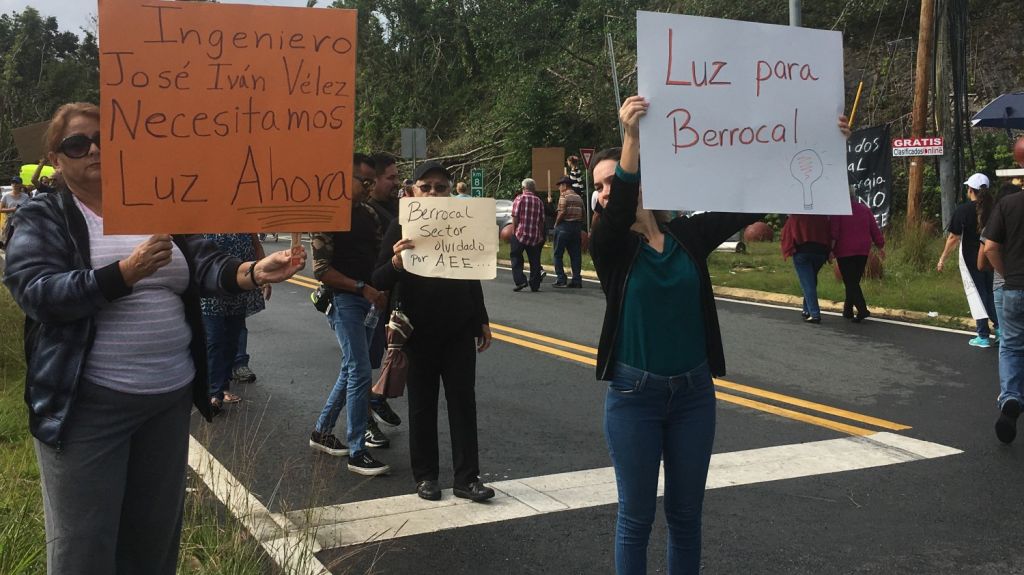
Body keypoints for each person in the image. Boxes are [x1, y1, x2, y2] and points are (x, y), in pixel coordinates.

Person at [2, 102, 306, 575]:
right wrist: (123, 273)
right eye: (77, 144)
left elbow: (203, 263)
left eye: (105, 139)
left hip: (167, 399)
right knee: (84, 547)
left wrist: (252, 271)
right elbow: (37, 293)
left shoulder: (154, 203)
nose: (95, 150)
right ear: (56, 158)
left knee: (153, 540)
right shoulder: (45, 215)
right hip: (87, 405)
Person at [591, 95, 851, 575]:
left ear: (652, 176)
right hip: (634, 398)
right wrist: (632, 137)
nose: (606, 192)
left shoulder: (687, 237)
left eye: (613, 181)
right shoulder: (610, 247)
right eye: (599, 187)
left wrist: (825, 146)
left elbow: (754, 198)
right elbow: (622, 204)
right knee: (636, 519)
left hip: (693, 396)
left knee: (686, 517)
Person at [373, 160, 495, 503]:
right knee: (422, 405)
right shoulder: (400, 224)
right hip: (416, 331)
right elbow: (378, 278)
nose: (433, 193)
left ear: (450, 192)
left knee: (463, 403)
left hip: (458, 330)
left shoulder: (464, 222)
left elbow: (473, 272)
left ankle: (467, 478)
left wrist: (481, 318)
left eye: (440, 187)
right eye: (425, 187)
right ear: (413, 191)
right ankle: (425, 477)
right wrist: (396, 262)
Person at [309, 155, 392, 475]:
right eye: (364, 181)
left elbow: (381, 253)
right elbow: (321, 270)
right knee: (359, 370)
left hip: (370, 301)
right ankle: (357, 451)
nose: (369, 187)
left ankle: (322, 431)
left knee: (351, 369)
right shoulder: (328, 215)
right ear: (346, 178)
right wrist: (361, 288)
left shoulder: (369, 213)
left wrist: (380, 289)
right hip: (344, 300)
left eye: (373, 181)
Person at [201, 233, 269, 412]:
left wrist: (265, 279)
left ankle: (223, 386)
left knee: (232, 341)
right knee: (215, 340)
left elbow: (256, 246)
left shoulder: (243, 222)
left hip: (239, 289)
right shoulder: (204, 224)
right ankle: (214, 392)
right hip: (211, 292)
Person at [938, 173, 997, 346]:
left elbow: (953, 238)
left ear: (970, 190)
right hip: (991, 257)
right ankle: (1000, 329)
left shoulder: (963, 210)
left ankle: (983, 335)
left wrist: (942, 258)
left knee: (977, 295)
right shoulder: (994, 209)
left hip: (970, 258)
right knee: (991, 293)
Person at [830, 192, 885, 323]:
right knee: (853, 280)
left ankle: (862, 309)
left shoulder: (839, 211)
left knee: (850, 282)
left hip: (844, 250)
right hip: (862, 250)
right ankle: (847, 310)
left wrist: (830, 249)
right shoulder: (864, 209)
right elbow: (874, 229)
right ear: (853, 196)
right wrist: (880, 245)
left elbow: (834, 233)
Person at [979, 182, 1023, 336]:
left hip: (1002, 284)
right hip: (1018, 280)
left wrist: (1003, 271)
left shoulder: (991, 226)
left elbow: (982, 261)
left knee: (1008, 339)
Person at [781, 214, 832, 323]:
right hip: (820, 253)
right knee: (811, 280)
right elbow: (829, 233)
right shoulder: (822, 216)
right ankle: (806, 310)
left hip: (802, 252)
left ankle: (814, 314)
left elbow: (787, 234)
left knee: (808, 283)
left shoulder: (796, 215)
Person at [510, 178, 546, 291]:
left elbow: (515, 216)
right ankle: (535, 285)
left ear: (523, 188)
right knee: (535, 261)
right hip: (534, 235)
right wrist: (540, 234)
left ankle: (520, 281)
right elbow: (542, 220)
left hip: (520, 233)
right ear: (533, 188)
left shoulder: (519, 198)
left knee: (516, 257)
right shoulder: (539, 201)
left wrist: (514, 231)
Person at [552, 175, 585, 288]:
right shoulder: (578, 197)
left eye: (560, 185)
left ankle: (561, 279)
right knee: (575, 255)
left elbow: (561, 212)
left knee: (558, 254)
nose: (559, 188)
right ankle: (576, 279)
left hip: (564, 227)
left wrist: (556, 223)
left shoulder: (564, 196)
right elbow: (583, 213)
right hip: (576, 227)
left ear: (565, 185)